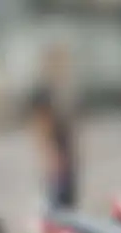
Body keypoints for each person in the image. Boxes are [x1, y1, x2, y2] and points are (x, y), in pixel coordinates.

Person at [30, 44, 79, 211]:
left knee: (69, 200)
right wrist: (51, 156)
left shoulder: (62, 91)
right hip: (56, 155)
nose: (62, 67)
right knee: (56, 201)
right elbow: (42, 127)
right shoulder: (44, 93)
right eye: (57, 63)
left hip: (67, 154)